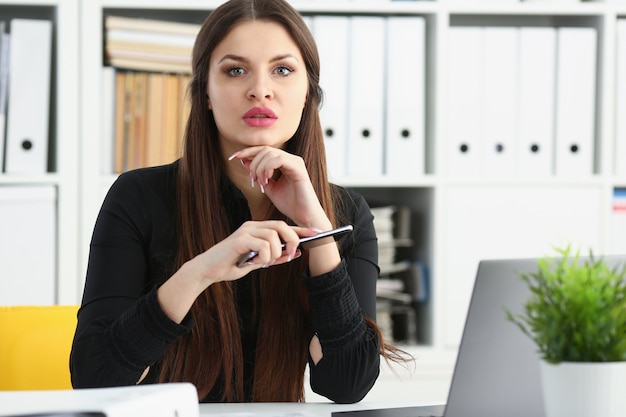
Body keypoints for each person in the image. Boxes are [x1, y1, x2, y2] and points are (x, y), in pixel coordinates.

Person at [70, 0, 407, 403]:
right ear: (206, 94)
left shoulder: (347, 214)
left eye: (282, 70)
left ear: (307, 94)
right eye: (235, 70)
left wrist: (319, 232)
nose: (260, 89)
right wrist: (199, 273)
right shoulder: (138, 197)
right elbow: (94, 378)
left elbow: (346, 383)